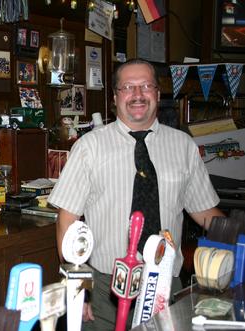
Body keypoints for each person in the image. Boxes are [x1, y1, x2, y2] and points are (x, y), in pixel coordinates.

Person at [47, 58, 224, 330]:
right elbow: (66, 223)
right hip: (105, 289)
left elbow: (205, 212)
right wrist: (79, 289)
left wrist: (236, 241)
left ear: (157, 94)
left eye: (146, 86)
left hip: (165, 282)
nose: (137, 95)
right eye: (128, 87)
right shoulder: (89, 147)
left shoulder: (183, 146)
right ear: (115, 97)